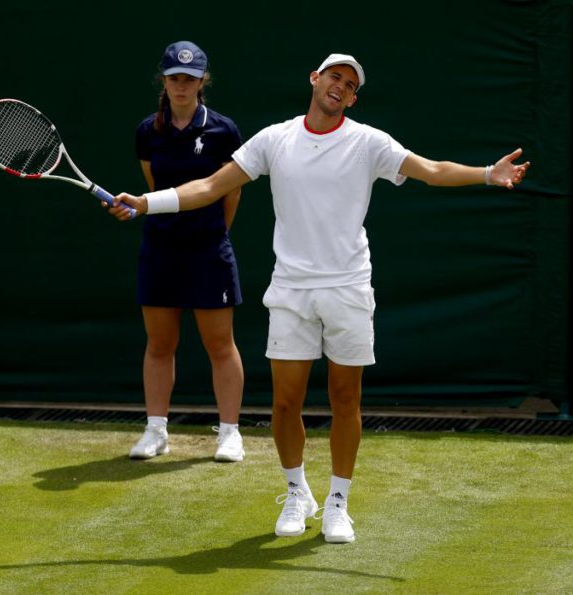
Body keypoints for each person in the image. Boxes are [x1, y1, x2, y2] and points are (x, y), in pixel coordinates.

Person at [109, 53, 530, 543]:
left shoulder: (369, 142)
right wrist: (147, 203)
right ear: (315, 79)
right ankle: (296, 492)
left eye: (350, 85)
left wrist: (486, 173)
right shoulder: (274, 139)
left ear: (353, 98)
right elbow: (209, 186)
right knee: (285, 403)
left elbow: (431, 170)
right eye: (335, 76)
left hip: (348, 288)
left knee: (345, 399)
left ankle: (337, 503)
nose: (341, 87)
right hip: (290, 290)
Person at [126, 41, 246, 463]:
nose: (182, 86)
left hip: (208, 250)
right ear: (164, 80)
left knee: (220, 344)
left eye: (190, 79)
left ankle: (230, 433)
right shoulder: (147, 132)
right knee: (159, 343)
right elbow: (155, 187)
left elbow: (230, 192)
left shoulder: (224, 130)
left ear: (202, 83)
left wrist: (213, 234)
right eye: (175, 78)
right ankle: (156, 431)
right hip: (160, 249)